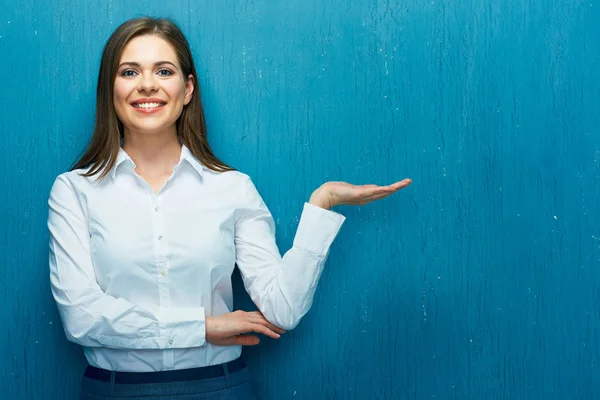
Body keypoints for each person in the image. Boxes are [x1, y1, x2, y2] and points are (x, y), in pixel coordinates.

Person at [47, 17, 412, 400]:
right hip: (113, 390)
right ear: (111, 88)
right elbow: (81, 318)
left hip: (221, 388)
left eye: (164, 70)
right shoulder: (74, 191)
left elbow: (282, 309)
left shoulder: (232, 188)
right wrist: (201, 327)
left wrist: (323, 204)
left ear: (187, 89)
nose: (147, 84)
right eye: (129, 71)